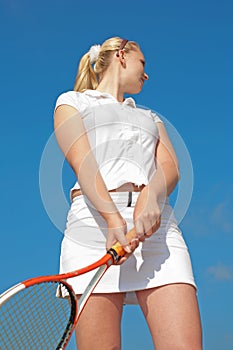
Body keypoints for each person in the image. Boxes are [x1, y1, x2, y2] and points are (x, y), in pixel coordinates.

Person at [54, 37, 202, 350]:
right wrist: (111, 219)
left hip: (158, 233)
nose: (146, 74)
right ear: (122, 54)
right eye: (143, 63)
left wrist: (151, 198)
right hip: (92, 229)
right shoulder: (71, 103)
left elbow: (170, 168)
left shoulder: (151, 118)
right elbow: (82, 161)